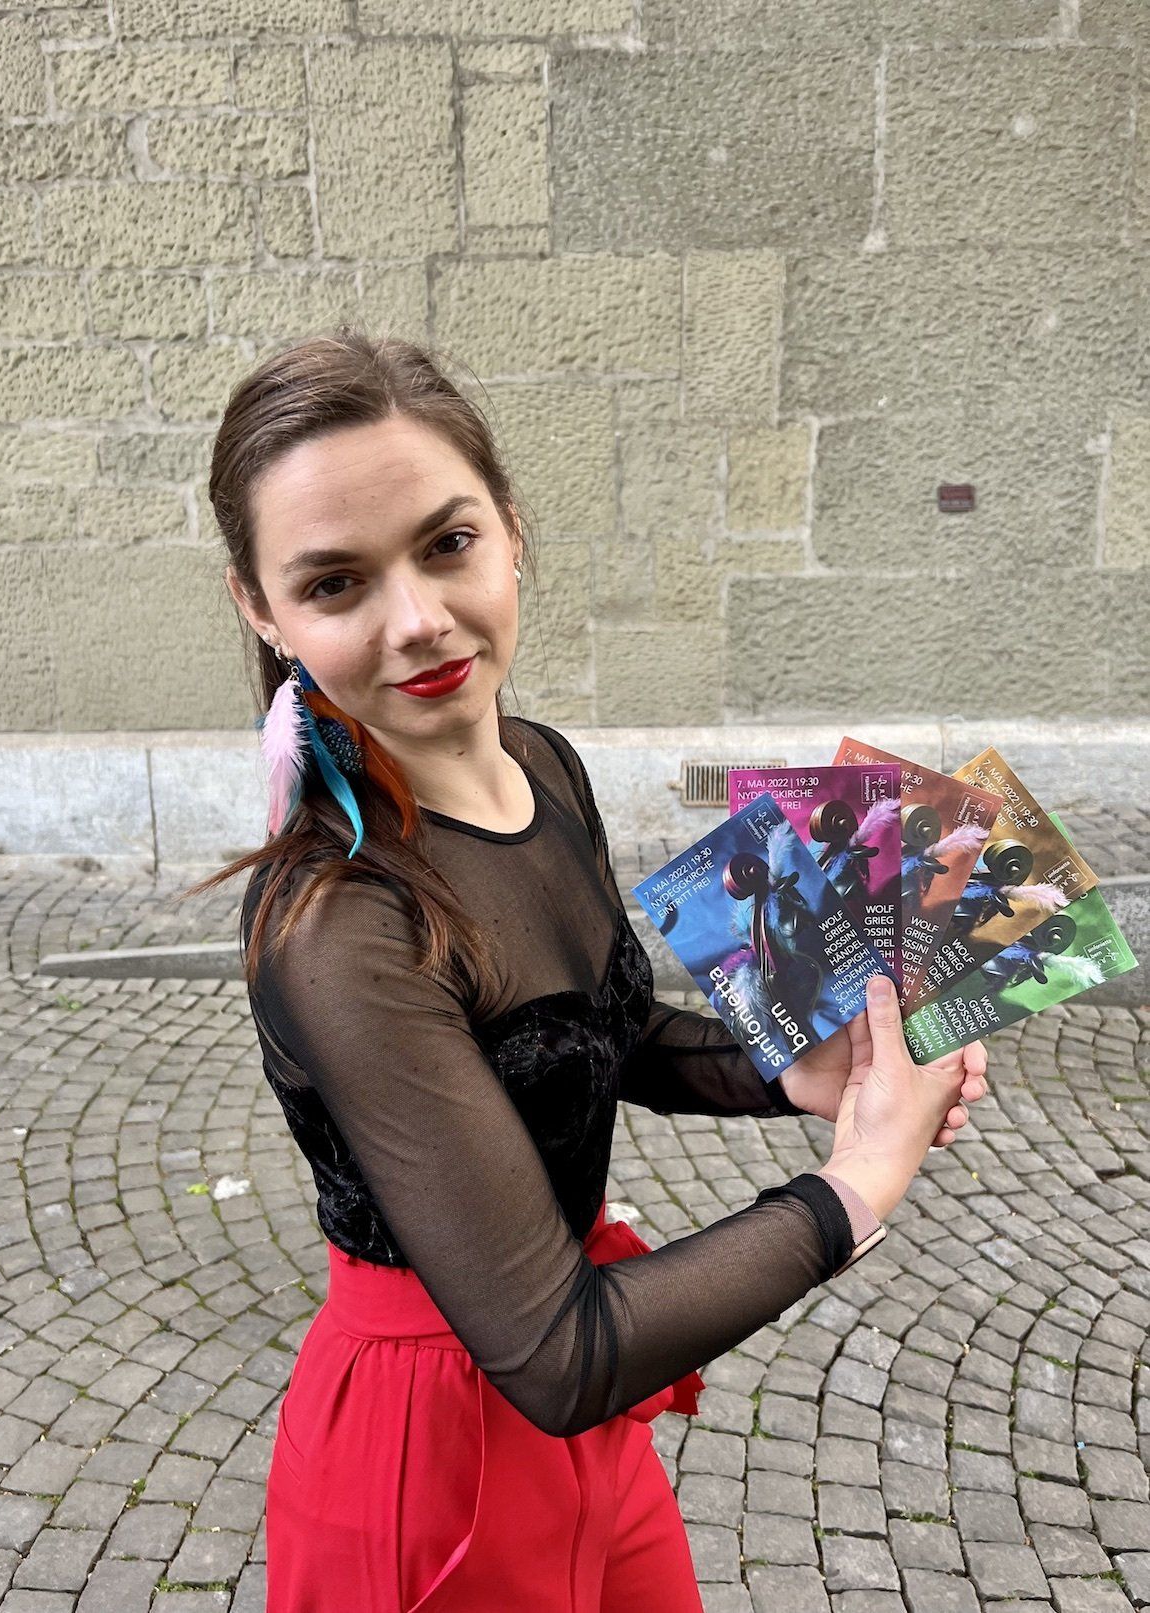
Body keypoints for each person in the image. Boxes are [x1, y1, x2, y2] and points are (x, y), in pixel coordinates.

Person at [184, 327, 988, 1612]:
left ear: (510, 531)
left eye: (447, 543)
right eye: (335, 583)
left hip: (593, 1420)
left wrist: (792, 1071)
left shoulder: (542, 762)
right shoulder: (338, 923)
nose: (417, 620)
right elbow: (554, 1353)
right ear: (261, 609)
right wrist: (860, 1179)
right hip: (439, 1452)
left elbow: (601, 1030)